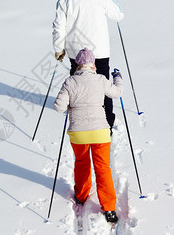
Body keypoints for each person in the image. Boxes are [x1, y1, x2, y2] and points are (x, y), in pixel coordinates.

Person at [53, 47, 123, 223]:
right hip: (100, 132)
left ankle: (82, 196)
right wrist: (118, 78)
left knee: (82, 164)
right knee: (103, 168)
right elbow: (116, 93)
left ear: (78, 64)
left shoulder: (69, 82)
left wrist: (69, 105)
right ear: (93, 64)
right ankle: (109, 208)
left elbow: (58, 107)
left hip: (79, 134)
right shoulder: (100, 79)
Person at [52, 0, 124, 129]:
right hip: (100, 51)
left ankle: (79, 120)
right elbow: (118, 15)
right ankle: (107, 122)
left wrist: (58, 48)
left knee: (77, 86)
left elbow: (59, 27)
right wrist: (113, 0)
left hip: (75, 53)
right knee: (104, 86)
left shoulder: (65, 0)